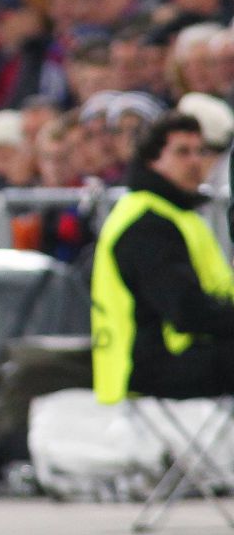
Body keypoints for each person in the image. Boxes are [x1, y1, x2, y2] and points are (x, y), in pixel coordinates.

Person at [92, 112, 234, 403]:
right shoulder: (146, 224)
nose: (196, 161)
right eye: (182, 152)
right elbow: (186, 311)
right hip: (151, 363)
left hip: (177, 352)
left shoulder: (174, 214)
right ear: (152, 161)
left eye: (200, 151)